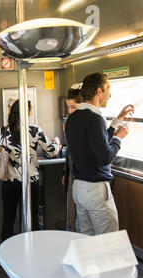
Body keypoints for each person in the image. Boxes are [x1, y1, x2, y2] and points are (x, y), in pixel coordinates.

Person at [65, 73, 134, 235]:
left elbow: (96, 142)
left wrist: (117, 121)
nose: (110, 95)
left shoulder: (73, 119)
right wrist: (118, 137)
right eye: (108, 90)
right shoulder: (95, 119)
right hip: (96, 190)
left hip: (79, 188)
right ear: (99, 91)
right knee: (108, 243)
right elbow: (105, 157)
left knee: (87, 240)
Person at [0, 100, 61, 240]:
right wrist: (57, 142)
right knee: (32, 218)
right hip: (30, 182)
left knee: (8, 219)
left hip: (9, 182)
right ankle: (32, 251)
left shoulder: (3, 131)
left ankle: (6, 253)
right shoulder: (35, 130)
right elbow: (51, 152)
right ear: (28, 112)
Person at [61, 88, 82, 232]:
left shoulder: (86, 124)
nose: (70, 111)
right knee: (72, 214)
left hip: (80, 176)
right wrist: (66, 172)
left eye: (73, 107)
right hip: (72, 174)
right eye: (69, 107)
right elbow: (70, 151)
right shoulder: (71, 124)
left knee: (79, 216)